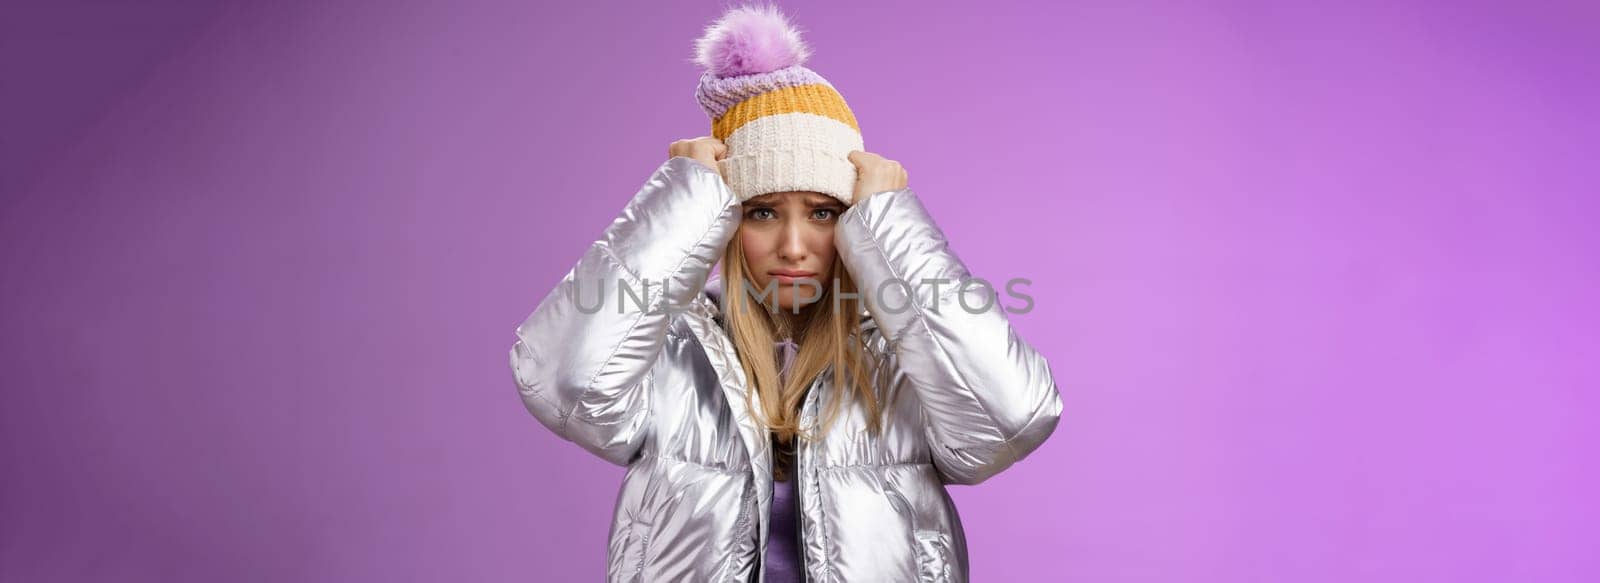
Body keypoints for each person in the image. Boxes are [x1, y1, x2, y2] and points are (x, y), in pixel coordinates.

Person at [509, 6, 1062, 582]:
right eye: (762, 211)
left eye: (824, 213)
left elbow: (1011, 419)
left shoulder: (903, 356)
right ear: (722, 221)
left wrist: (890, 224)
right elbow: (561, 381)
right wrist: (681, 201)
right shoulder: (671, 350)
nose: (794, 246)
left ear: (854, 222)